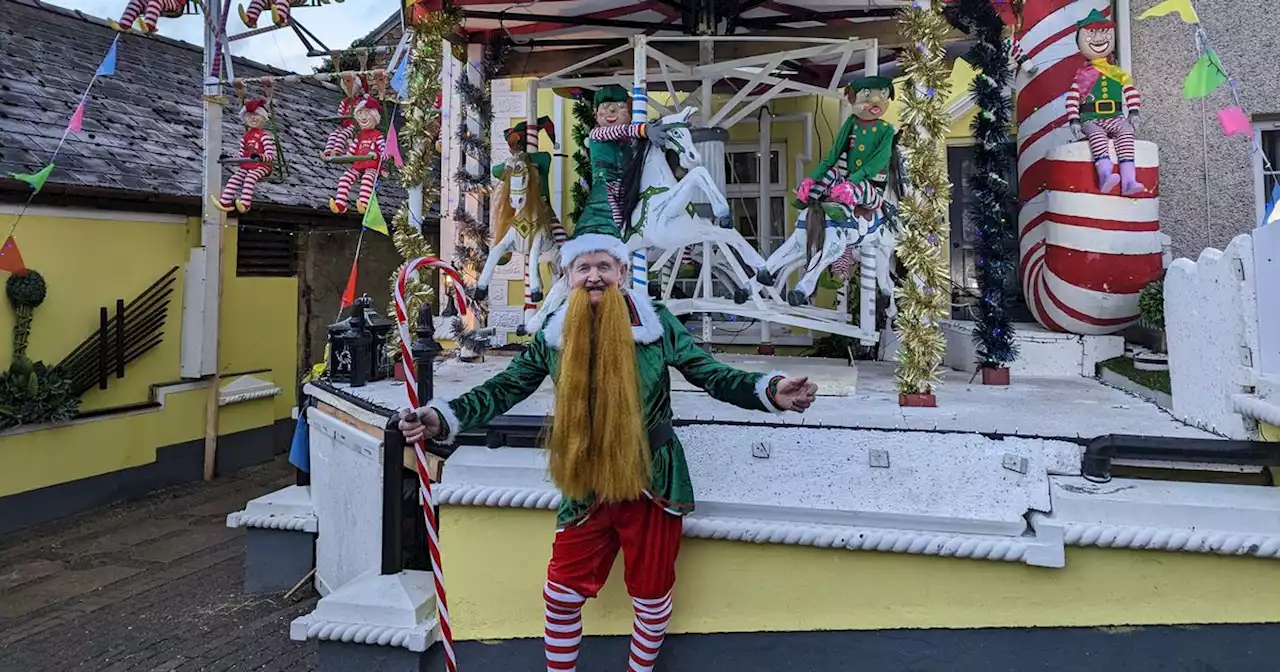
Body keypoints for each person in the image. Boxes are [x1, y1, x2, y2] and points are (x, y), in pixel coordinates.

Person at [399, 227, 818, 672]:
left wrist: (771, 391)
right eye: (584, 268)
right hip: (586, 479)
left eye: (604, 266)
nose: (594, 276)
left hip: (653, 479)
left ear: (621, 271)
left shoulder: (657, 324)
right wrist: (443, 417)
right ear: (568, 275)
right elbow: (506, 387)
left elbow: (711, 374)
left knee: (652, 596)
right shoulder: (553, 332)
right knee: (560, 594)